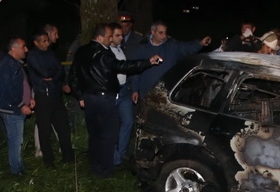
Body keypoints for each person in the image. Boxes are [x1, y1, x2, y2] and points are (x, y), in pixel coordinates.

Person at [68, 23, 164, 177]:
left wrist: (80, 95)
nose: (111, 39)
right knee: (109, 135)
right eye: (109, 37)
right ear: (100, 38)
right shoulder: (103, 53)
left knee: (95, 134)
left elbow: (73, 76)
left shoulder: (81, 51)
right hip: (105, 99)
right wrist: (147, 62)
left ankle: (95, 167)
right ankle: (105, 170)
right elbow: (122, 66)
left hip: (89, 98)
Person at [128, 21, 211, 104]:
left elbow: (186, 48)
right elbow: (136, 71)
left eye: (165, 32)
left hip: (167, 92)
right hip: (147, 92)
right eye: (161, 32)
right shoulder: (142, 48)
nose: (164, 36)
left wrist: (200, 43)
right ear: (153, 32)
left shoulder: (171, 45)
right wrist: (134, 90)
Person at [26, 29, 74, 167]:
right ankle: (48, 160)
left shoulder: (51, 53)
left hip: (55, 94)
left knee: (63, 126)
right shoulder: (32, 55)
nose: (47, 43)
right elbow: (44, 72)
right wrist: (53, 74)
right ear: (36, 42)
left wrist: (53, 77)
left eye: (47, 40)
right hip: (43, 95)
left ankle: (68, 156)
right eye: (44, 41)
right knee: (44, 129)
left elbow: (60, 71)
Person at [0, 37, 34, 176]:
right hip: (11, 109)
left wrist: (29, 99)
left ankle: (18, 166)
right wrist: (21, 104)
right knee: (15, 140)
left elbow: (21, 85)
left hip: (15, 107)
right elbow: (8, 89)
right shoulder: (8, 65)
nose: (26, 50)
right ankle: (16, 171)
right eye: (23, 46)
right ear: (14, 48)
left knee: (17, 139)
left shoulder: (15, 64)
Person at [109, 22, 136, 165]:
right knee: (112, 124)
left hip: (124, 90)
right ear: (110, 36)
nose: (121, 37)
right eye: (118, 35)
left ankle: (121, 153)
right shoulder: (105, 52)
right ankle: (113, 157)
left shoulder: (121, 49)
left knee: (128, 121)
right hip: (112, 92)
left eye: (122, 35)